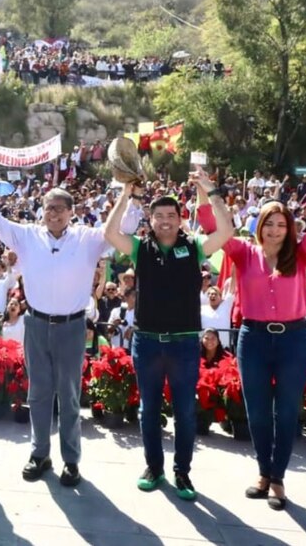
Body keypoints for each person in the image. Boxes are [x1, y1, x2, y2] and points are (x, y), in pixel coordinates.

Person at [0, 167, 137, 487]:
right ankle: (39, 454)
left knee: (69, 396)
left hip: (71, 327)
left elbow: (126, 227)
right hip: (36, 324)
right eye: (49, 207)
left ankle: (71, 460)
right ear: (42, 210)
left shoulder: (88, 238)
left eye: (60, 208)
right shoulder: (27, 236)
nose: (54, 213)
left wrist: (128, 194)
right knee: (37, 394)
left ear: (71, 212)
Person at [205, 159, 306, 510]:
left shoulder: (302, 253)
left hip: (294, 340)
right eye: (269, 224)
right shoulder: (244, 253)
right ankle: (263, 472)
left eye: (281, 224)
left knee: (287, 412)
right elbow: (212, 226)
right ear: (259, 227)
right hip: (254, 338)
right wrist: (208, 191)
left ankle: (278, 478)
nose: (275, 230)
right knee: (258, 411)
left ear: (289, 228)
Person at [103, 170, 233, 501]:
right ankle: (154, 468)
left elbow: (226, 231)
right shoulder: (140, 248)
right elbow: (110, 232)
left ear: (179, 219)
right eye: (158, 215)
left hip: (184, 343)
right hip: (147, 342)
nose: (165, 221)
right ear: (150, 219)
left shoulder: (194, 247)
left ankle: (182, 472)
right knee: (148, 410)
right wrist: (125, 194)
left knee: (185, 412)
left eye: (171, 215)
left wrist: (209, 190)